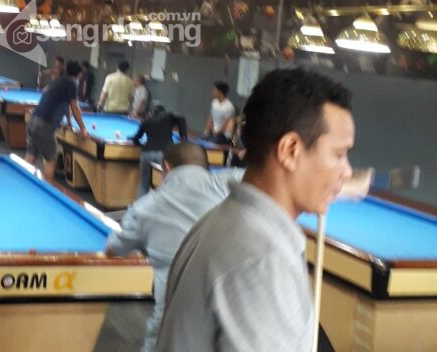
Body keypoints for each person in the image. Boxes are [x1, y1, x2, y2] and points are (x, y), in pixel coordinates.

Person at [156, 68, 355, 352]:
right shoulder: (263, 263)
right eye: (339, 154)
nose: (346, 171)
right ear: (290, 150)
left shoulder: (218, 221)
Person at [107, 143, 245, 352]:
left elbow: (113, 249)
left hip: (171, 328)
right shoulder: (231, 181)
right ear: (204, 165)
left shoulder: (143, 208)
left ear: (167, 168)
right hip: (233, 318)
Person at [26, 60, 89, 181]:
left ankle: (22, 184)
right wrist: (83, 129)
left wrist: (69, 122)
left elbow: (67, 104)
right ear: (79, 74)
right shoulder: (71, 83)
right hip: (44, 124)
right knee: (50, 160)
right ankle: (47, 188)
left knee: (31, 156)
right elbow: (75, 107)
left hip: (33, 120)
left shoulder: (59, 81)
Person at [131, 104, 187, 198]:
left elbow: (135, 139)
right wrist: (183, 137)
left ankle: (139, 206)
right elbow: (180, 118)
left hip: (146, 153)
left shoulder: (147, 121)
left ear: (151, 113)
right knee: (165, 183)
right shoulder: (168, 116)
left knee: (143, 184)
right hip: (162, 154)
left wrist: (143, 145)